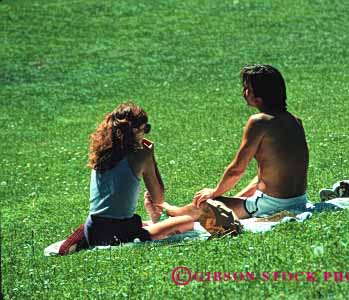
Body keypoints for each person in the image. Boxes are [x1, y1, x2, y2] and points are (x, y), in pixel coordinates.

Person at [150, 64, 309, 220]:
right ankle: (231, 205)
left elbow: (237, 169)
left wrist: (214, 193)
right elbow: (272, 174)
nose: (244, 93)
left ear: (260, 96)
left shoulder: (260, 122)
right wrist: (237, 198)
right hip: (298, 201)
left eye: (247, 89)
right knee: (226, 200)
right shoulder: (295, 121)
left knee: (207, 204)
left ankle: (169, 211)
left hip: (271, 206)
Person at [61, 103, 194, 252]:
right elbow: (159, 198)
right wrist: (151, 156)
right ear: (135, 130)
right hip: (120, 232)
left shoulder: (101, 153)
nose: (145, 134)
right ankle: (157, 219)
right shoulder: (141, 156)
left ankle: (154, 220)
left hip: (93, 227)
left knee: (141, 223)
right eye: (146, 129)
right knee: (187, 221)